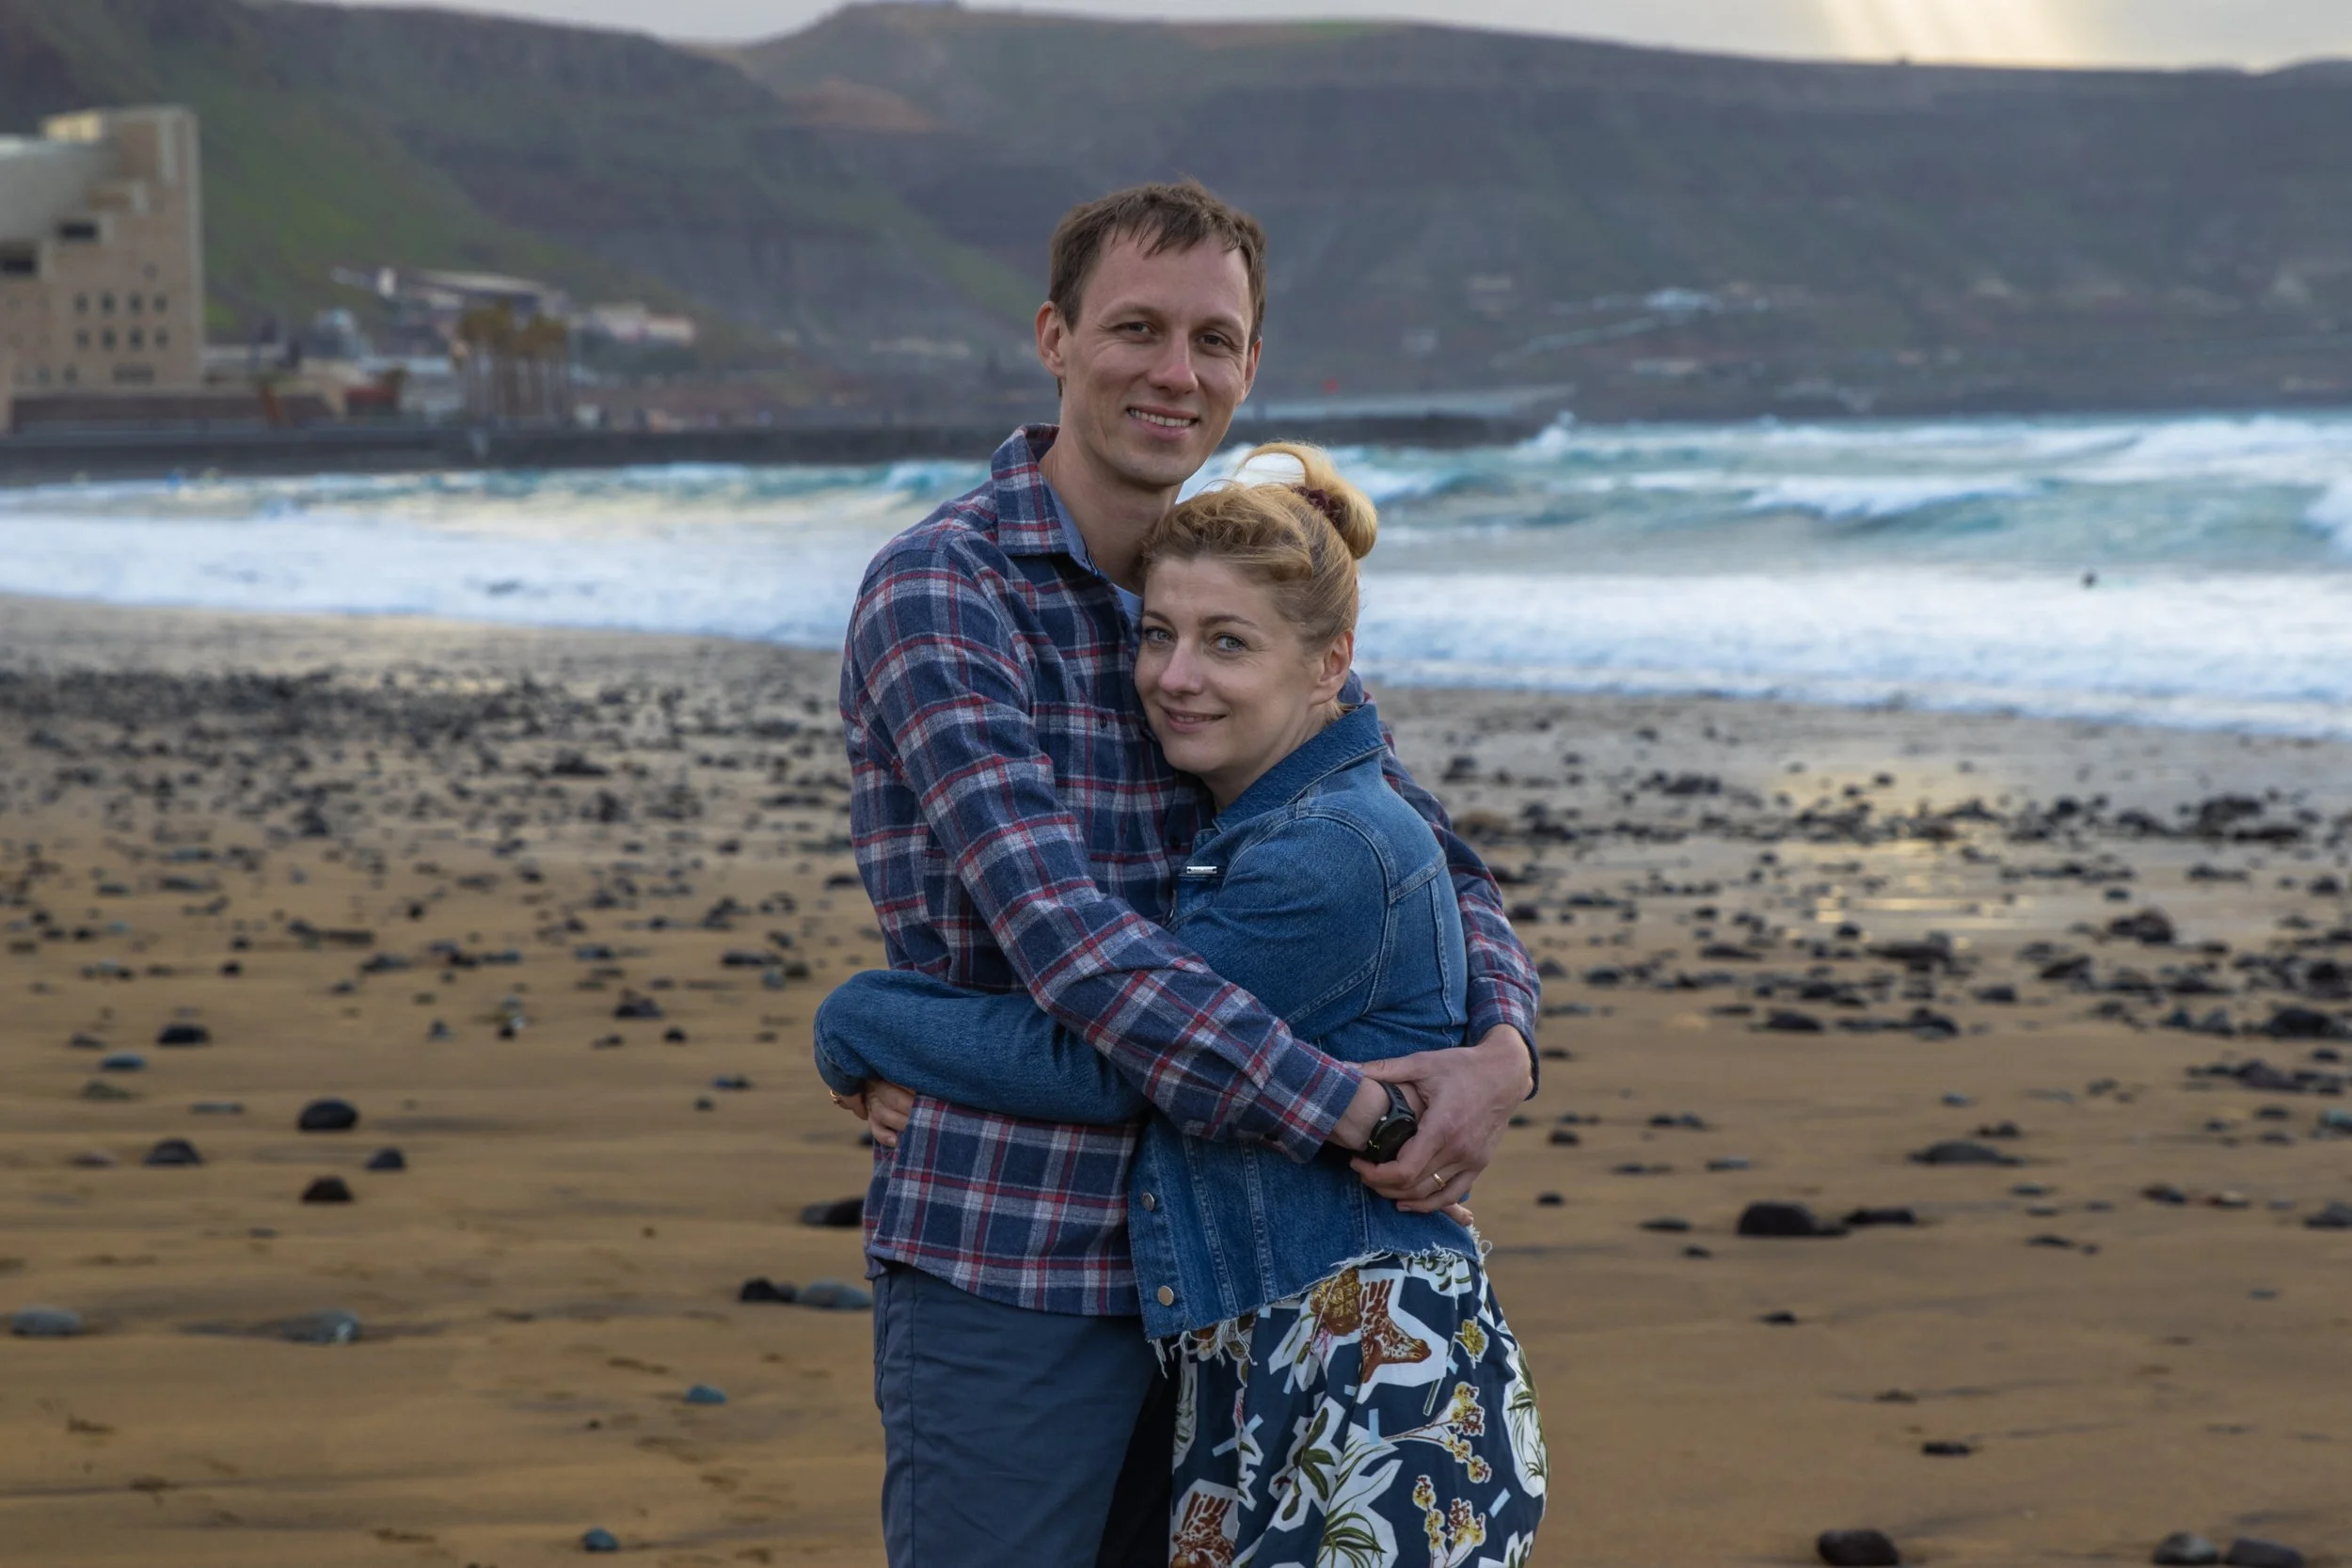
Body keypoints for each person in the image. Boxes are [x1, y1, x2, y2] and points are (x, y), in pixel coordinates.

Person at [831, 180, 1542, 1566]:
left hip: (1234, 1270)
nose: (1176, 371)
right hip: (1015, 1246)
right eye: (1137, 328)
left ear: (1250, 365)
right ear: (1056, 336)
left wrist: (1504, 1052)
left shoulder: (1231, 585)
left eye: (1213, 340)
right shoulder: (946, 592)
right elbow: (1073, 950)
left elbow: (1426, 854)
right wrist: (1359, 1112)